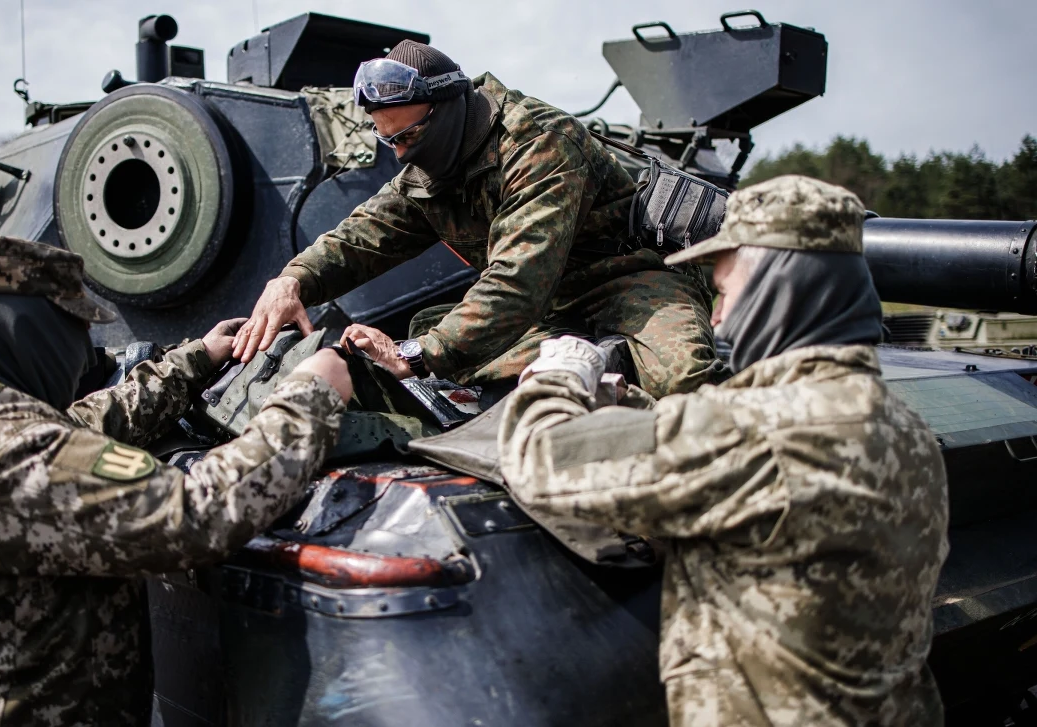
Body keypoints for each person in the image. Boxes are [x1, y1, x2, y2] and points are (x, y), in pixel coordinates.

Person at [497, 176, 950, 726]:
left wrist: (558, 376)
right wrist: (634, 406)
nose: (715, 319)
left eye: (726, 293)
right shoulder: (901, 424)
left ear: (778, 290)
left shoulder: (757, 429)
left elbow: (543, 458)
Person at [0, 233, 352, 726]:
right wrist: (311, 395)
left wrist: (196, 359)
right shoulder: (12, 462)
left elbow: (86, 421)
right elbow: (196, 512)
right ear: (31, 331)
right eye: (76, 329)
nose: (85, 352)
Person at [233, 40, 722, 399]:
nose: (401, 155)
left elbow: (517, 281)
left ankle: (600, 355)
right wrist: (293, 279)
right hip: (544, 308)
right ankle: (578, 353)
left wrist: (416, 355)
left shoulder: (538, 143)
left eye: (408, 137)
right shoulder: (433, 165)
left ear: (446, 112)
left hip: (624, 282)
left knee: (682, 379)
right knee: (436, 341)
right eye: (390, 142)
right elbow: (365, 236)